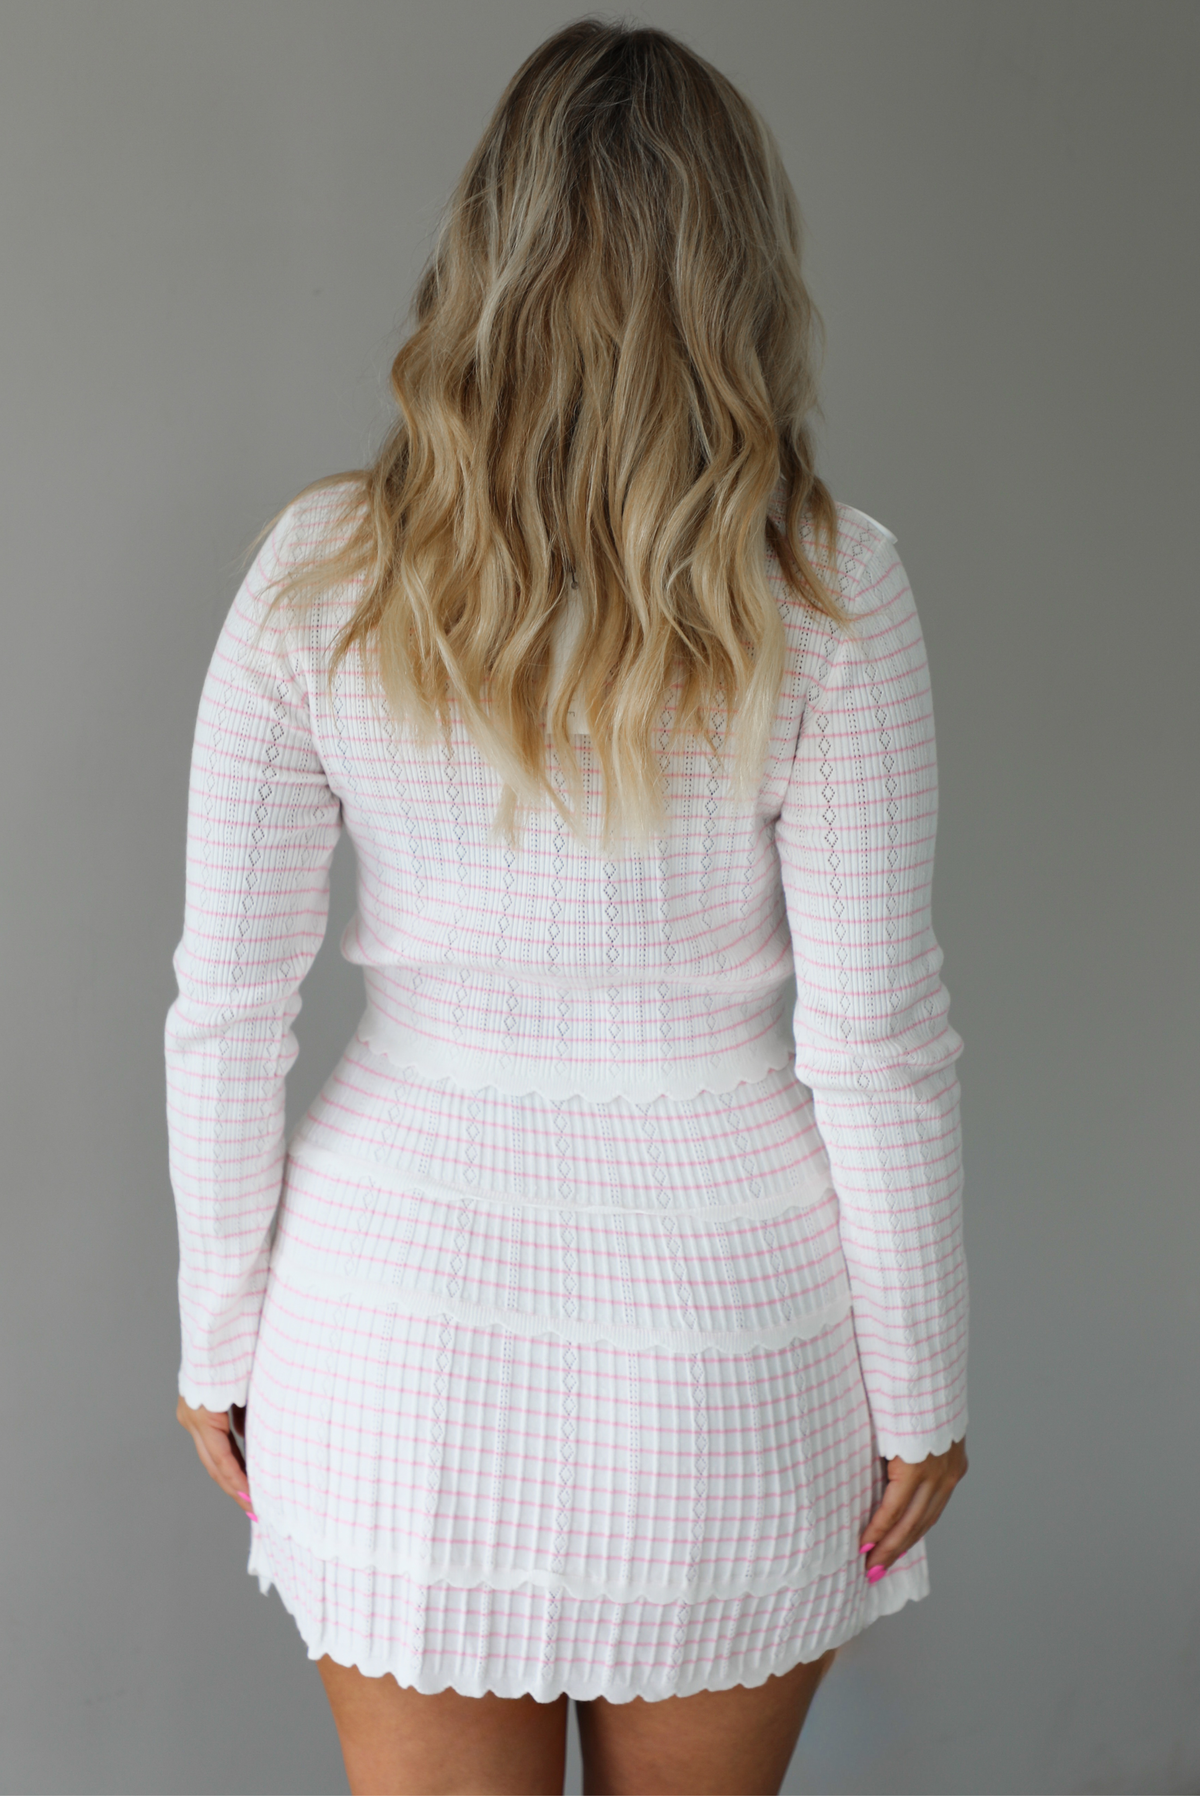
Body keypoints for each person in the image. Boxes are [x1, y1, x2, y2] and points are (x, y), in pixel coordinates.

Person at [166, 19, 968, 1796]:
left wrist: (222, 1335)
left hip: (394, 1326)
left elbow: (229, 1000)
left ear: (481, 258)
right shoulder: (833, 591)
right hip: (729, 1338)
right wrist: (922, 1386)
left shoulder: (321, 576)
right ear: (742, 276)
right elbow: (877, 1035)